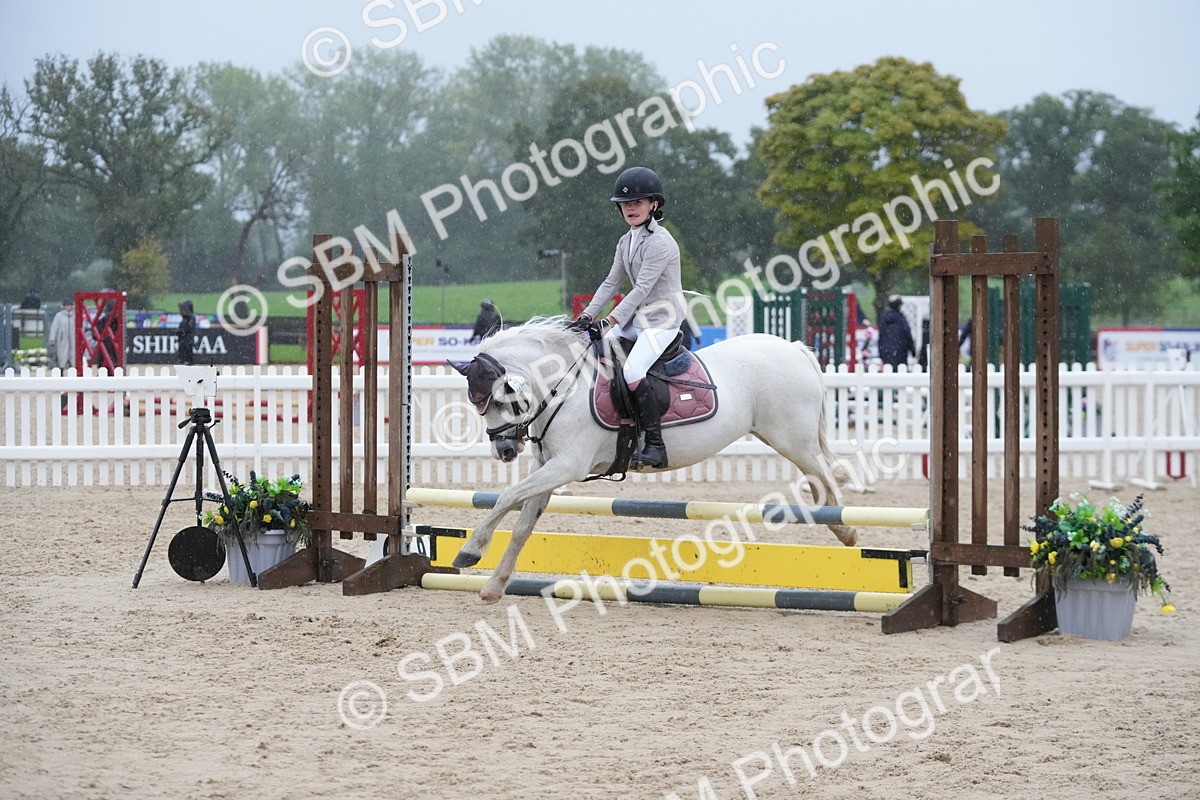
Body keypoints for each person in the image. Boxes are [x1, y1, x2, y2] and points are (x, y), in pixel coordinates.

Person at [570, 166, 685, 469]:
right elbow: (612, 282)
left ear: (653, 205)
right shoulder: (626, 241)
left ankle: (656, 445)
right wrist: (587, 315)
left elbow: (643, 289)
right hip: (638, 319)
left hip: (663, 318)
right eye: (625, 204)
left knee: (633, 372)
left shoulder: (660, 242)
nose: (631, 208)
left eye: (638, 202)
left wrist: (609, 321)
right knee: (596, 355)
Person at [48, 298, 75, 411]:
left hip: (72, 339)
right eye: (67, 305)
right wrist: (52, 339)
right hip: (62, 339)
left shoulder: (74, 316)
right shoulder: (59, 316)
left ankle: (72, 373)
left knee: (72, 356)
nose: (68, 307)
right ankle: (61, 372)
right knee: (62, 356)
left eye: (69, 305)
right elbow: (54, 327)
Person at [877, 294, 915, 371]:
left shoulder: (883, 318)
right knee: (900, 374)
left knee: (888, 373)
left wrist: (881, 353)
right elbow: (907, 334)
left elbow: (880, 336)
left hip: (886, 351)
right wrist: (912, 350)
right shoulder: (901, 318)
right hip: (900, 351)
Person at [177, 300, 196, 365]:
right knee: (183, 353)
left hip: (187, 339)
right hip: (183, 340)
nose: (182, 311)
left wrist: (181, 331)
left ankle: (188, 362)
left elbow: (189, 328)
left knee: (188, 353)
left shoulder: (191, 318)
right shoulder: (184, 319)